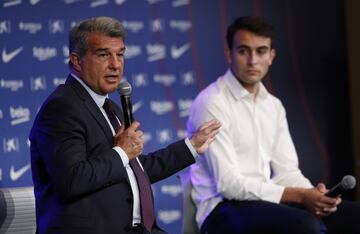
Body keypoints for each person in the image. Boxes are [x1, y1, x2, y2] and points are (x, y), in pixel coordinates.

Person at [29, 16, 221, 234]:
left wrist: (191, 146)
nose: (115, 64)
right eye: (103, 55)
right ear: (76, 60)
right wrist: (121, 151)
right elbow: (72, 180)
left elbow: (134, 168)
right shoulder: (63, 108)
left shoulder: (110, 108)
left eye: (120, 54)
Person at [187, 16, 360, 234]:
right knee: (307, 227)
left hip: (265, 201)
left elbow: (287, 171)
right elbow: (229, 185)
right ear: (229, 54)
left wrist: (314, 196)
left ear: (271, 56)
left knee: (354, 217)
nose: (252, 60)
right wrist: (300, 196)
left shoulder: (273, 105)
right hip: (221, 210)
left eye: (260, 51)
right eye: (243, 51)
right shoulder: (211, 102)